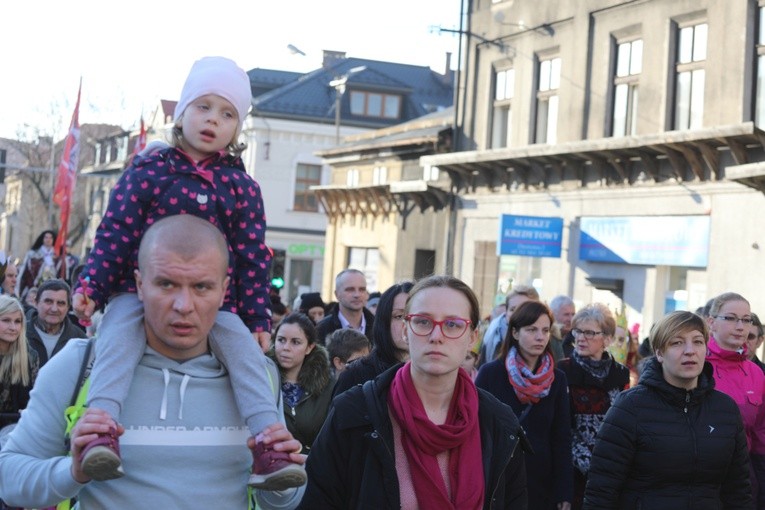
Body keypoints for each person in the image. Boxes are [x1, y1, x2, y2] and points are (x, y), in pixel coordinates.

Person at [68, 57, 303, 489]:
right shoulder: (147, 170)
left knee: (248, 361)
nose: (213, 119)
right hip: (136, 294)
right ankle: (100, 431)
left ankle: (269, 444)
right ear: (182, 113)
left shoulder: (242, 188)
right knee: (118, 339)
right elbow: (116, 231)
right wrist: (93, 287)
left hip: (218, 304)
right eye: (203, 107)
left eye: (227, 113)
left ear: (237, 129)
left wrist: (255, 319)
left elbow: (251, 257)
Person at [0, 215, 306, 509]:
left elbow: (281, 502)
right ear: (140, 284)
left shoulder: (259, 374)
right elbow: (9, 477)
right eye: (166, 284)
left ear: (224, 290)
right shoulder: (79, 364)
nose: (184, 306)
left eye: (201, 286)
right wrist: (72, 472)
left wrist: (286, 479)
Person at [299, 275, 529, 509]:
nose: (436, 336)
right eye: (422, 322)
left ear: (472, 337)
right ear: (405, 331)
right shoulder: (353, 412)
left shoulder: (499, 423)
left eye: (452, 324)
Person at [583, 311, 753, 509]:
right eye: (677, 343)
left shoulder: (725, 410)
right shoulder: (631, 407)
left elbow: (738, 490)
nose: (690, 350)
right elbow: (601, 490)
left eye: (697, 342)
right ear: (659, 353)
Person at [476, 300, 573, 510]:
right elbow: (476, 430)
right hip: (498, 479)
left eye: (545, 330)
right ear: (515, 333)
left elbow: (561, 437)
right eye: (531, 329)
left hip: (540, 483)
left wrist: (564, 490)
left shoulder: (557, 379)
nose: (540, 337)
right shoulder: (491, 374)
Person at [557, 303, 630, 509]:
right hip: (572, 472)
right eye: (578, 331)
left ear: (607, 339)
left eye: (589, 333)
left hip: (611, 470)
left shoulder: (620, 374)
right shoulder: (563, 371)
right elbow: (560, 429)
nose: (581, 338)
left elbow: (624, 425)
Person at [705, 292, 765, 506]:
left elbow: (760, 433)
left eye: (746, 320)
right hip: (699, 475)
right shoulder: (696, 364)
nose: (740, 326)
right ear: (711, 323)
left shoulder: (756, 373)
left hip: (742, 476)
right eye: (730, 318)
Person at [332, 280, 414, 396]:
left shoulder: (439, 374)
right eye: (399, 316)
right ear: (384, 321)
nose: (408, 324)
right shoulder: (356, 374)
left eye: (417, 316)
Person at [270, 312, 334, 453]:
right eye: (281, 340)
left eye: (295, 342)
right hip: (268, 465)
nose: (286, 347)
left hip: (311, 467)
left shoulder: (327, 385)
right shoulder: (261, 379)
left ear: (309, 347)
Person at [25, 279, 85, 367]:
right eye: (48, 301)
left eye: (60, 303)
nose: (54, 309)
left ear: (68, 307)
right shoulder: (19, 333)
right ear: (36, 303)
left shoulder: (79, 340)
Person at [0, 295, 39, 430]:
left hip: (16, 429)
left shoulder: (30, 356)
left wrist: (28, 410)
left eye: (18, 321)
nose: (13, 327)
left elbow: (33, 397)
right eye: (6, 320)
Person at [480, 284, 540, 365]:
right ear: (506, 312)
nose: (517, 314)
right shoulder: (491, 333)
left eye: (524, 309)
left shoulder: (548, 336)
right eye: (513, 309)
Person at [315, 268, 374, 344]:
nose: (357, 295)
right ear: (337, 294)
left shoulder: (379, 327)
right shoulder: (322, 329)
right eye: (350, 289)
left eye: (362, 289)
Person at [17, 230, 59, 300]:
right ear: (42, 239)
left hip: (53, 291)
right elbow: (24, 273)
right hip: (33, 290)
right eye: (46, 237)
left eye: (50, 238)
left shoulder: (58, 258)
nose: (48, 240)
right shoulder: (32, 255)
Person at [550, 294, 575, 362]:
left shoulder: (577, 341)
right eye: (566, 314)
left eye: (573, 314)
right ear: (553, 315)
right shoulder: (546, 340)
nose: (571, 319)